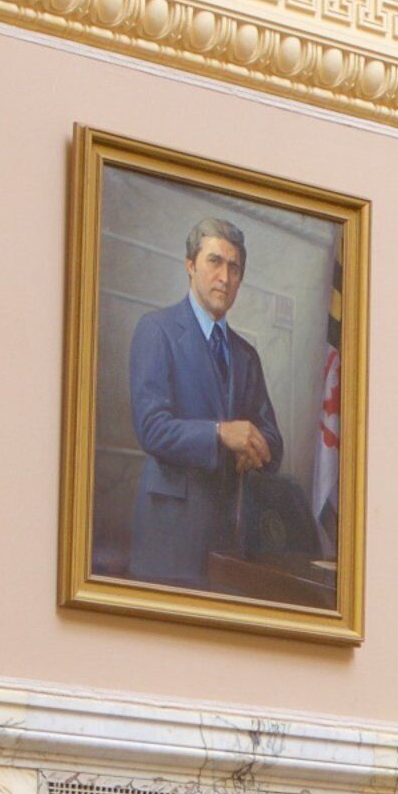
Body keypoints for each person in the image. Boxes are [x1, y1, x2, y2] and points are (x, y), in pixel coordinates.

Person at [122, 215, 283, 586]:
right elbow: (151, 429)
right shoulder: (156, 330)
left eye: (234, 267)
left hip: (229, 542)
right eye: (214, 262)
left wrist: (256, 448)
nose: (224, 278)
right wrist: (221, 434)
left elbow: (274, 440)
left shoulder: (247, 355)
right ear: (190, 265)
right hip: (168, 539)